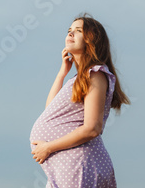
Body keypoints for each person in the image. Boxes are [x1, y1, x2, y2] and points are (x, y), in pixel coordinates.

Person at [30, 13, 130, 187]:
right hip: (68, 166)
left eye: (78, 31)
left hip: (80, 165)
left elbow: (92, 128)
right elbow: (51, 112)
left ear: (92, 40)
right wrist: (62, 73)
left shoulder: (95, 74)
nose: (70, 34)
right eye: (69, 30)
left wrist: (48, 147)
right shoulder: (78, 78)